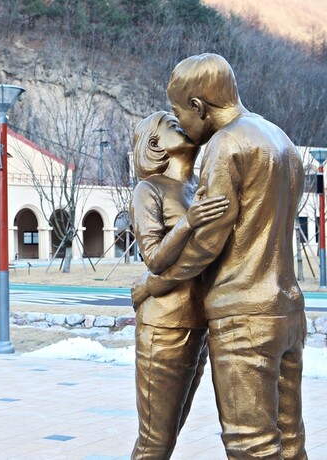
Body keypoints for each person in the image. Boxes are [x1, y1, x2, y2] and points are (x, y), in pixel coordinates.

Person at [133, 53, 307, 458]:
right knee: (291, 441)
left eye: (180, 113)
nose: (182, 123)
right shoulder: (280, 139)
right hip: (287, 310)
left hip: (244, 314)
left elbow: (207, 243)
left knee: (251, 444)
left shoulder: (226, 143)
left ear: (198, 106)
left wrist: (153, 284)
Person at [130, 111, 229, 459]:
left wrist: (149, 285)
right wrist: (188, 222)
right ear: (155, 144)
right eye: (173, 125)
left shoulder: (200, 187)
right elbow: (154, 258)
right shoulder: (149, 190)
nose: (183, 126)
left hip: (200, 322)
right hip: (164, 325)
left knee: (170, 436)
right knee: (155, 441)